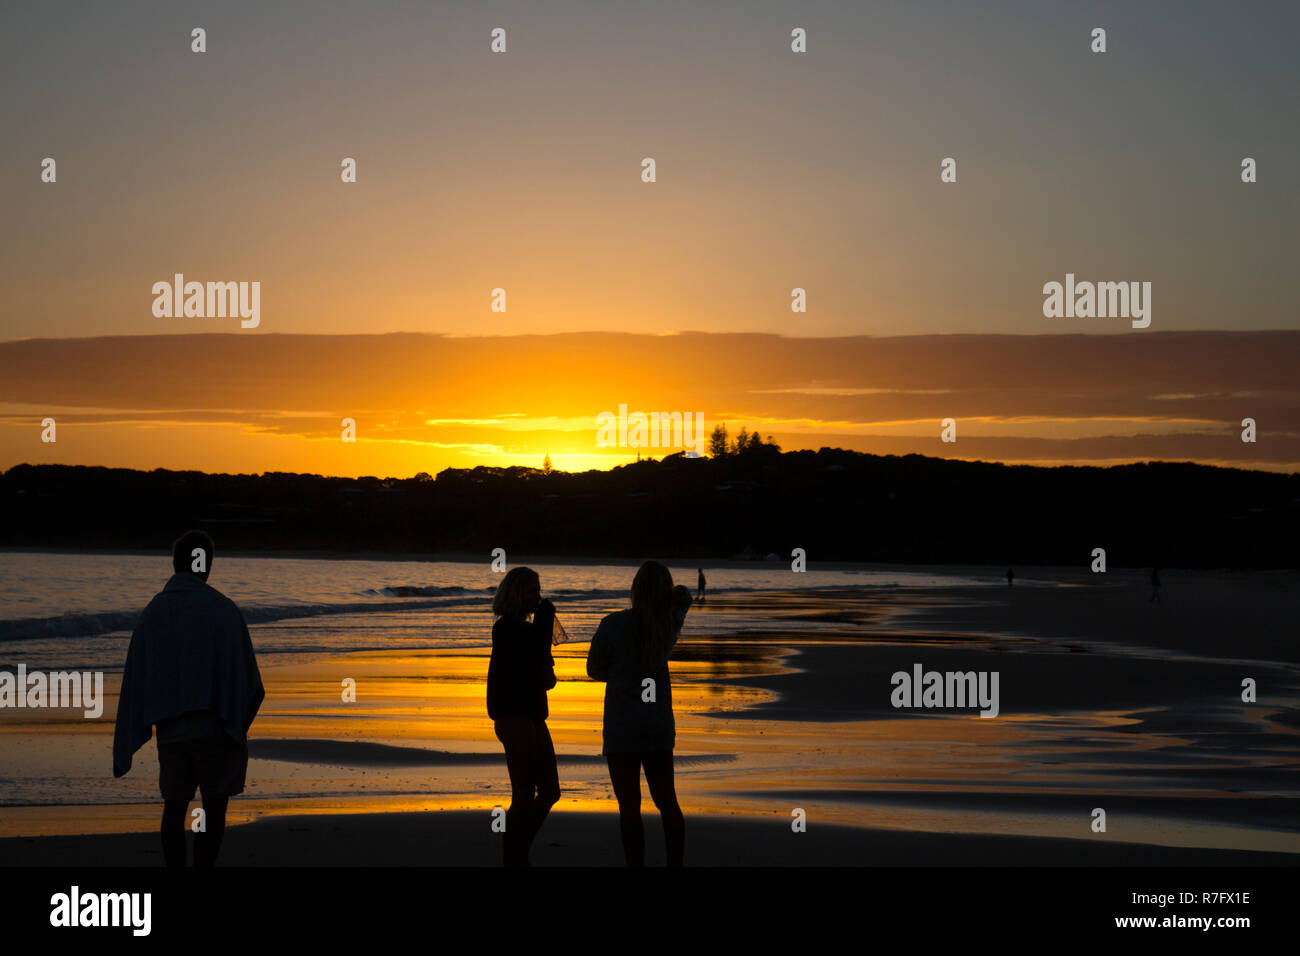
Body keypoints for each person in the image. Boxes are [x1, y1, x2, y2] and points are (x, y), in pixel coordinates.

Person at [112, 530, 264, 867]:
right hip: (217, 725)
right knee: (214, 807)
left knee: (175, 805)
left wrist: (139, 722)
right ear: (205, 565)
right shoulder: (223, 609)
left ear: (176, 563)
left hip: (173, 727)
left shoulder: (154, 611)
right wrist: (236, 724)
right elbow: (248, 678)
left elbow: (138, 676)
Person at [587, 561, 692, 866]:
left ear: (634, 589)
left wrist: (620, 674)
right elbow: (685, 595)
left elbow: (594, 669)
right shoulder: (669, 622)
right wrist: (668, 596)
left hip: (622, 726)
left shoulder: (613, 624)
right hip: (657, 725)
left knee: (629, 807)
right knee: (667, 802)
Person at [487, 566, 560, 866]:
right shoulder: (505, 629)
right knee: (524, 792)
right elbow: (537, 668)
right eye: (532, 591)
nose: (537, 597)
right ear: (517, 594)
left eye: (538, 590)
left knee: (550, 791)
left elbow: (546, 678)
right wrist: (543, 630)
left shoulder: (529, 631)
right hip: (512, 715)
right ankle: (514, 855)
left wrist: (542, 631)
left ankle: (517, 850)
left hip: (531, 715)